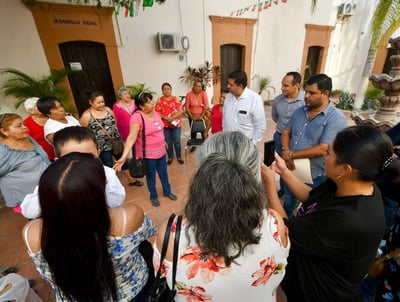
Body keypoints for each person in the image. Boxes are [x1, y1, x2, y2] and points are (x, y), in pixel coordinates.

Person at [262, 125, 398, 302]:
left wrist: (270, 187)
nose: (325, 156)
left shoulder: (348, 219)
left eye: (329, 153)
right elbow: (312, 197)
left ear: (345, 169)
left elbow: (284, 231)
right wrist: (284, 172)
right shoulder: (350, 184)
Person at [153, 131, 290, 301]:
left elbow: (165, 277)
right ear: (255, 176)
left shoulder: (172, 234)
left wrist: (198, 196)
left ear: (200, 177)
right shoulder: (274, 224)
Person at [23, 152, 156, 301]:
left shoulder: (31, 233)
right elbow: (148, 233)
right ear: (100, 187)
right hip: (133, 292)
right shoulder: (128, 218)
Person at [20, 126, 125, 219]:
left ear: (97, 154)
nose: (80, 162)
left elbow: (116, 202)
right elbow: (29, 212)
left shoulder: (107, 173)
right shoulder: (55, 177)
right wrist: (51, 189)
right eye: (71, 157)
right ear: (58, 161)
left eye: (87, 156)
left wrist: (102, 186)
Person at [281, 73, 347, 217]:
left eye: (312, 93)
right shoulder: (300, 111)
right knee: (288, 201)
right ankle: (284, 229)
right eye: (306, 91)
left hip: (314, 175)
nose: (306, 96)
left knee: (310, 208)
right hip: (291, 168)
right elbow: (286, 131)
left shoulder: (336, 118)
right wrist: (286, 152)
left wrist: (291, 155)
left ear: (325, 94)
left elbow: (323, 148)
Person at [114, 92, 177, 207]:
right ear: (141, 106)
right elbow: (132, 137)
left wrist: (163, 141)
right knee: (151, 176)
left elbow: (160, 128)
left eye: (152, 101)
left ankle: (167, 192)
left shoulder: (154, 112)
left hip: (161, 151)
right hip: (148, 155)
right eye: (148, 102)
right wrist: (123, 157)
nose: (152, 104)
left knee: (164, 174)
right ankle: (153, 196)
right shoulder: (137, 117)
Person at [0, 113, 50, 213]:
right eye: (19, 126)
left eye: (24, 124)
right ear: (4, 131)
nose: (25, 128)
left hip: (47, 191)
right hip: (29, 201)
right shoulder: (3, 152)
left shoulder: (28, 138)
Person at [271, 71, 304, 197]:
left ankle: (293, 193)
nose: (282, 88)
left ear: (296, 85)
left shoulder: (305, 101)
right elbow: (275, 117)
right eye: (282, 85)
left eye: (286, 86)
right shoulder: (278, 100)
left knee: (294, 168)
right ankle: (283, 190)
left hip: (296, 140)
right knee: (280, 165)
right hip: (279, 137)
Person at [79, 90, 123, 168]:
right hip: (102, 147)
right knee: (108, 166)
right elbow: (83, 132)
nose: (102, 104)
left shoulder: (107, 109)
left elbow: (115, 122)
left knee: (123, 162)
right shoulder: (87, 115)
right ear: (90, 102)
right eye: (98, 103)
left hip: (116, 142)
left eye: (103, 102)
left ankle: (130, 180)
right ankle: (111, 180)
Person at [222, 70, 266, 144]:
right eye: (228, 83)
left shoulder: (255, 99)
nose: (228, 86)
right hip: (228, 143)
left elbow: (260, 126)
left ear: (240, 86)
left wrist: (252, 144)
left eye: (231, 85)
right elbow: (225, 119)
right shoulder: (228, 97)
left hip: (245, 145)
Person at [113, 86, 143, 187]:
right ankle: (133, 171)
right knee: (129, 154)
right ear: (120, 96)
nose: (128, 95)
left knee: (140, 150)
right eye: (125, 94)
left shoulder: (135, 102)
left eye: (128, 93)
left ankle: (141, 166)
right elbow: (116, 120)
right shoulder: (117, 106)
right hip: (125, 133)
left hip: (138, 131)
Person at [155, 82, 184, 165]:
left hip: (176, 125)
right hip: (165, 125)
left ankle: (179, 156)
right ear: (162, 91)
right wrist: (166, 118)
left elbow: (180, 111)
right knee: (168, 142)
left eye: (168, 89)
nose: (166, 91)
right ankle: (170, 157)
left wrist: (172, 118)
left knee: (177, 141)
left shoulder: (175, 99)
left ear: (171, 90)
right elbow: (157, 112)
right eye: (164, 89)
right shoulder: (160, 100)